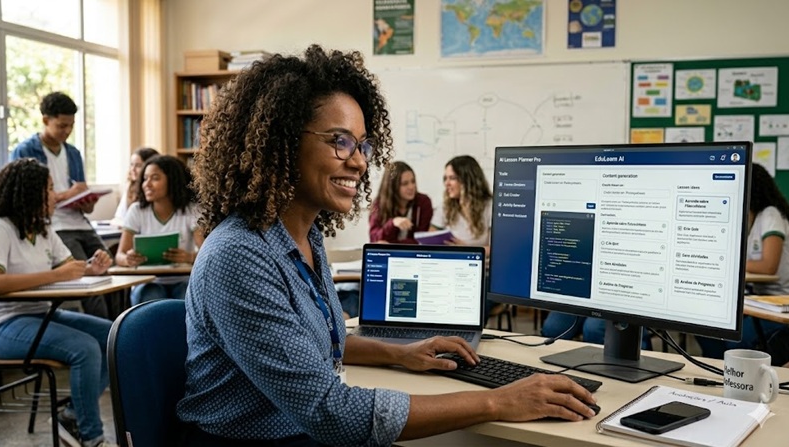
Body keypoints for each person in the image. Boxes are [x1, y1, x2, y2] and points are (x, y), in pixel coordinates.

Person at [176, 45, 597, 447]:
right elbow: (330, 411)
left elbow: (318, 341)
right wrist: (498, 401)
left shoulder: (305, 236)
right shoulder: (239, 255)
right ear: (282, 143)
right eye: (340, 140)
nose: (359, 162)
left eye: (363, 145)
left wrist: (403, 354)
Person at [0, 158, 115, 447]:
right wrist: (56, 274)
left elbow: (70, 268)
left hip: (39, 316)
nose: (55, 195)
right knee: (86, 349)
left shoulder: (42, 230)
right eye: (49, 188)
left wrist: (91, 267)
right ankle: (92, 437)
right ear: (28, 193)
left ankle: (71, 417)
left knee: (113, 335)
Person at [10, 92, 111, 319]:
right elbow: (24, 199)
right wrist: (69, 194)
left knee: (109, 270)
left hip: (80, 223)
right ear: (46, 120)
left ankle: (116, 329)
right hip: (55, 225)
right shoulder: (25, 152)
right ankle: (105, 334)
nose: (67, 131)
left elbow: (85, 207)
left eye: (71, 126)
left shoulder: (73, 153)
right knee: (86, 280)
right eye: (62, 125)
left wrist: (87, 200)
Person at [698, 163, 788, 359]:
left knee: (736, 338)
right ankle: (717, 371)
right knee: (706, 326)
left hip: (780, 303)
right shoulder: (751, 220)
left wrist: (727, 263)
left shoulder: (771, 214)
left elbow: (768, 266)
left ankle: (731, 373)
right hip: (759, 300)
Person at [114, 155, 203, 305]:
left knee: (185, 298)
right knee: (151, 296)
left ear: (173, 181)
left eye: (155, 178)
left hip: (183, 280)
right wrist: (128, 259)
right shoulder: (136, 211)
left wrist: (190, 257)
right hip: (148, 281)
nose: (146, 184)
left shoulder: (191, 210)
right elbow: (119, 256)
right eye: (145, 178)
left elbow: (205, 252)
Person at [433, 155, 492, 254]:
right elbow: (431, 234)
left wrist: (465, 249)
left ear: (467, 180)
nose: (447, 183)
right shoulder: (445, 205)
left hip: (480, 264)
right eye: (445, 178)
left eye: (452, 178)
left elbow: (496, 249)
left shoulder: (490, 206)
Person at [369, 160, 433, 244]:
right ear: (393, 186)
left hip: (414, 254)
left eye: (413, 181)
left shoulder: (423, 202)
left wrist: (393, 245)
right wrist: (392, 224)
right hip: (387, 254)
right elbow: (375, 239)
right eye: (405, 183)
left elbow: (422, 240)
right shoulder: (379, 204)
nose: (411, 187)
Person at [111, 146, 160, 227]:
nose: (132, 169)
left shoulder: (155, 189)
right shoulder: (130, 188)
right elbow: (119, 217)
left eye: (138, 166)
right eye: (131, 165)